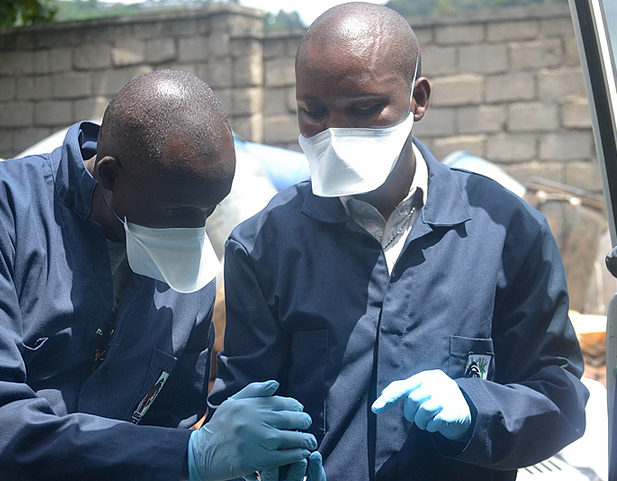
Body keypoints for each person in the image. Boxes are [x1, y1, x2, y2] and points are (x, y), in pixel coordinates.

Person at [209, 3, 589, 480]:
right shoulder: (263, 244)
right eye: (313, 111)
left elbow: (560, 397)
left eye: (363, 108)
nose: (334, 132)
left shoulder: (507, 234)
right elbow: (241, 407)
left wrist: (478, 409)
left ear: (418, 100)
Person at [0, 69, 320, 480]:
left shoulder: (189, 278)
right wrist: (190, 457)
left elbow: (168, 426)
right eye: (177, 213)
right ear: (108, 175)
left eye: (210, 209)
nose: (194, 232)